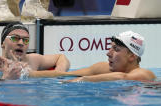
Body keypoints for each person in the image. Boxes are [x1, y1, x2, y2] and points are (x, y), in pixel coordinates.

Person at [19, 30, 156, 82]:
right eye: (110, 48)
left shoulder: (145, 75)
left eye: (116, 49)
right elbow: (64, 75)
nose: (108, 53)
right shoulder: (103, 69)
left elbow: (122, 77)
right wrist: (25, 74)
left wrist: (83, 80)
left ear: (132, 56)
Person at [0, 22, 70, 79]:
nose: (21, 43)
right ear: (2, 43)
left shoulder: (33, 60)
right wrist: (5, 79)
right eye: (15, 38)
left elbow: (61, 57)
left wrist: (59, 73)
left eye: (26, 40)